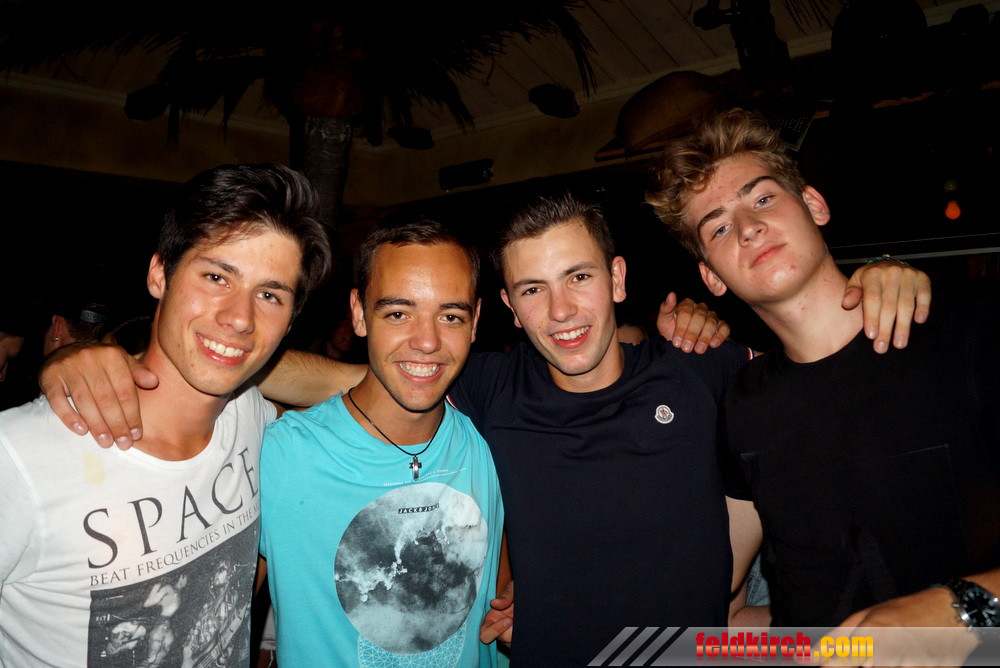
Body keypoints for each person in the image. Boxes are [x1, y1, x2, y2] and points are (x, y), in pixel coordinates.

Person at [41, 192, 929, 666]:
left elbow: (805, 384)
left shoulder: (699, 370)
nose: (563, 310)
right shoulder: (482, 393)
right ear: (508, 306)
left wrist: (883, 281)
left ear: (619, 279)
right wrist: (108, 361)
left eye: (580, 278)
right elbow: (345, 376)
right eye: (534, 289)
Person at [648, 109, 998, 642]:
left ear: (814, 204)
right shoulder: (742, 404)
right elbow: (720, 598)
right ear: (711, 277)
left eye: (763, 199)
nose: (747, 228)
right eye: (718, 227)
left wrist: (956, 610)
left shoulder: (966, 332)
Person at [0, 162, 332, 666]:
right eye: (216, 276)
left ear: (289, 322)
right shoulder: (19, 457)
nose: (239, 318)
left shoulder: (254, 419)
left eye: (269, 295)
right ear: (160, 274)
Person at [258, 216, 504, 665]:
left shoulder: (489, 440)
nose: (427, 341)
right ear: (358, 313)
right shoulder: (280, 456)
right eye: (398, 313)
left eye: (450, 316)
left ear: (475, 322)